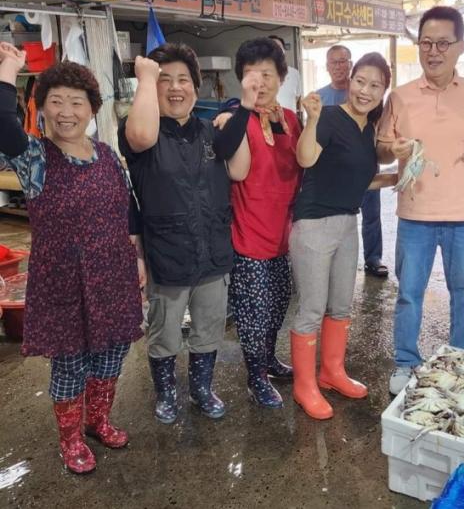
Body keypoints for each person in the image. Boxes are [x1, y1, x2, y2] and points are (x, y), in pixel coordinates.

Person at [0, 43, 145, 474]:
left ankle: (98, 421)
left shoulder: (108, 155)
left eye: (76, 102)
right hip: (64, 283)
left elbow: (126, 209)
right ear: (41, 108)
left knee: (111, 356)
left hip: (114, 276)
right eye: (56, 102)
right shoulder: (34, 158)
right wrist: (9, 67)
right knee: (70, 366)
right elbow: (3, 127)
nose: (66, 112)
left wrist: (137, 256)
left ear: (92, 109)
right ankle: (71, 439)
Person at [377, 6, 464, 395]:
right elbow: (381, 149)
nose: (433, 52)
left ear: (460, 46)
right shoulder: (400, 97)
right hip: (415, 215)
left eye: (443, 44)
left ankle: (461, 360)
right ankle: (405, 362)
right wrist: (393, 149)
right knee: (408, 293)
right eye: (426, 43)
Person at [119, 43, 246, 424]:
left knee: (209, 328)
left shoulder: (210, 132)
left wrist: (236, 118)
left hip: (213, 251)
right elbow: (141, 135)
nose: (176, 88)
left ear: (196, 86)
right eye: (166, 80)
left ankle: (202, 389)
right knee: (165, 332)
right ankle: (166, 392)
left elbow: (239, 169)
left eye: (184, 80)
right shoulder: (140, 133)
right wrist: (145, 78)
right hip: (167, 254)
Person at [290, 53, 391, 419]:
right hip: (314, 225)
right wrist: (312, 120)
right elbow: (305, 158)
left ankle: (332, 372)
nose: (366, 90)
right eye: (361, 81)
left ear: (383, 91)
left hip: (348, 224)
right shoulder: (331, 116)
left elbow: (359, 179)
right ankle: (304, 386)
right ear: (350, 80)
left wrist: (400, 176)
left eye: (375, 85)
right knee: (312, 309)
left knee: (341, 306)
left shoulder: (369, 129)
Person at [213, 38, 302, 408]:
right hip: (249, 235)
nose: (260, 82)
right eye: (252, 75)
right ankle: (256, 377)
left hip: (285, 233)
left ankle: (268, 360)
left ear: (282, 77)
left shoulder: (292, 120)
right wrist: (238, 115)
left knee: (279, 304)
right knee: (253, 314)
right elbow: (237, 172)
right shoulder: (235, 119)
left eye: (267, 74)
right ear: (241, 80)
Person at [318, 45, 387, 278]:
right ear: (327, 66)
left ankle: (373, 257)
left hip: (365, 164)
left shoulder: (367, 95)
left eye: (343, 61)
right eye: (334, 62)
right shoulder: (319, 97)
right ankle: (330, 257)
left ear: (351, 65)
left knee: (372, 213)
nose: (338, 66)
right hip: (335, 171)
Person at [269, 35, 301, 113]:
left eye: (279, 47)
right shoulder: (259, 74)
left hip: (290, 119)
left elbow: (297, 97)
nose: (276, 50)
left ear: (284, 51)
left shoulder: (294, 73)